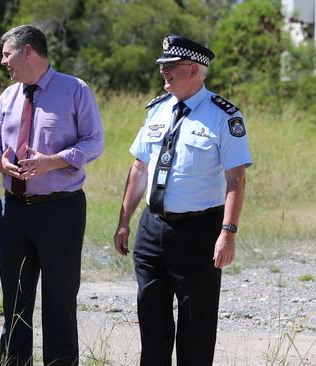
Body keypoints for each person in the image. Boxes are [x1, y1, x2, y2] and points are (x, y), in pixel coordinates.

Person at [113, 34, 252, 366]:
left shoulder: (225, 116)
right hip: (152, 227)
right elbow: (139, 167)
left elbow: (236, 178)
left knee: (196, 326)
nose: (164, 74)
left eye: (170, 68)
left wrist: (228, 233)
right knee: (152, 321)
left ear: (193, 70)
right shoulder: (158, 110)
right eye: (163, 67)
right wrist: (124, 221)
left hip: (199, 231)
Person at [0, 24, 104, 366]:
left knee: (59, 299)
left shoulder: (75, 90)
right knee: (15, 299)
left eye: (7, 54)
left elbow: (94, 142)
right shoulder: (8, 96)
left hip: (60, 210)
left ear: (28, 52)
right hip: (13, 211)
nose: (3, 61)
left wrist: (54, 162)